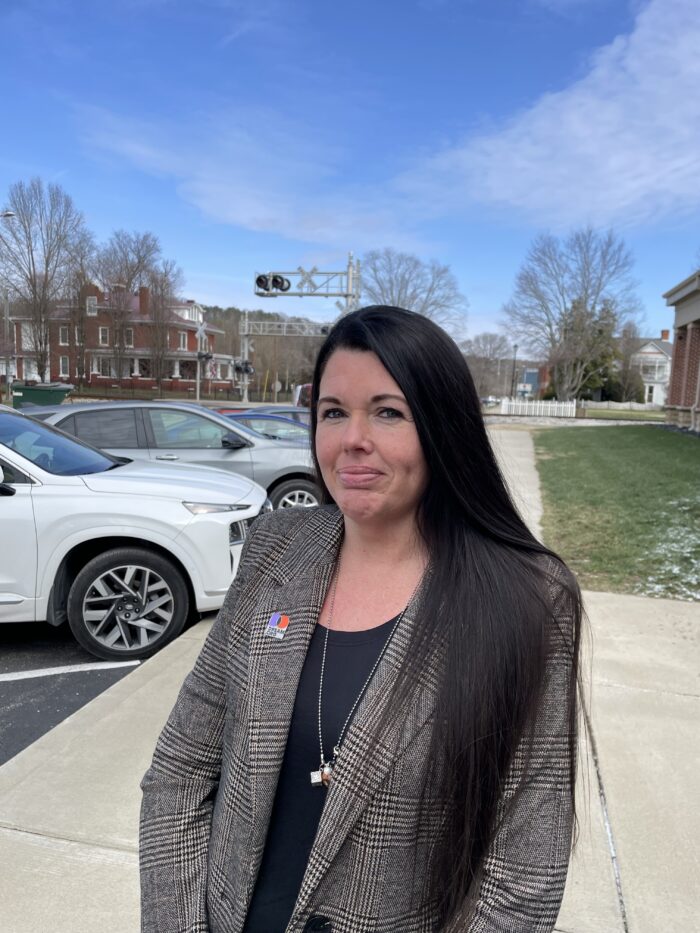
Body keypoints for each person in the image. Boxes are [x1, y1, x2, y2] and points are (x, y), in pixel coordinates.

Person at [140, 305, 583, 933]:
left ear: (443, 428)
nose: (352, 438)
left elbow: (522, 874)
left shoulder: (528, 598)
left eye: (387, 411)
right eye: (332, 411)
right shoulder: (274, 551)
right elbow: (179, 775)